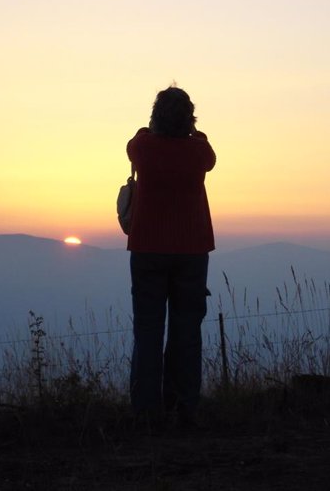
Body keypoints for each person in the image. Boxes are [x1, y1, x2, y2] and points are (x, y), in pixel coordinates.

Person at [126, 86, 216, 428]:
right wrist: (193, 132)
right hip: (192, 248)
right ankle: (184, 408)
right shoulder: (199, 151)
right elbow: (209, 154)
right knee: (187, 330)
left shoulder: (143, 147)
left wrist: (151, 126)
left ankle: (146, 412)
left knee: (147, 331)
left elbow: (134, 141)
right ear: (190, 118)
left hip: (148, 246)